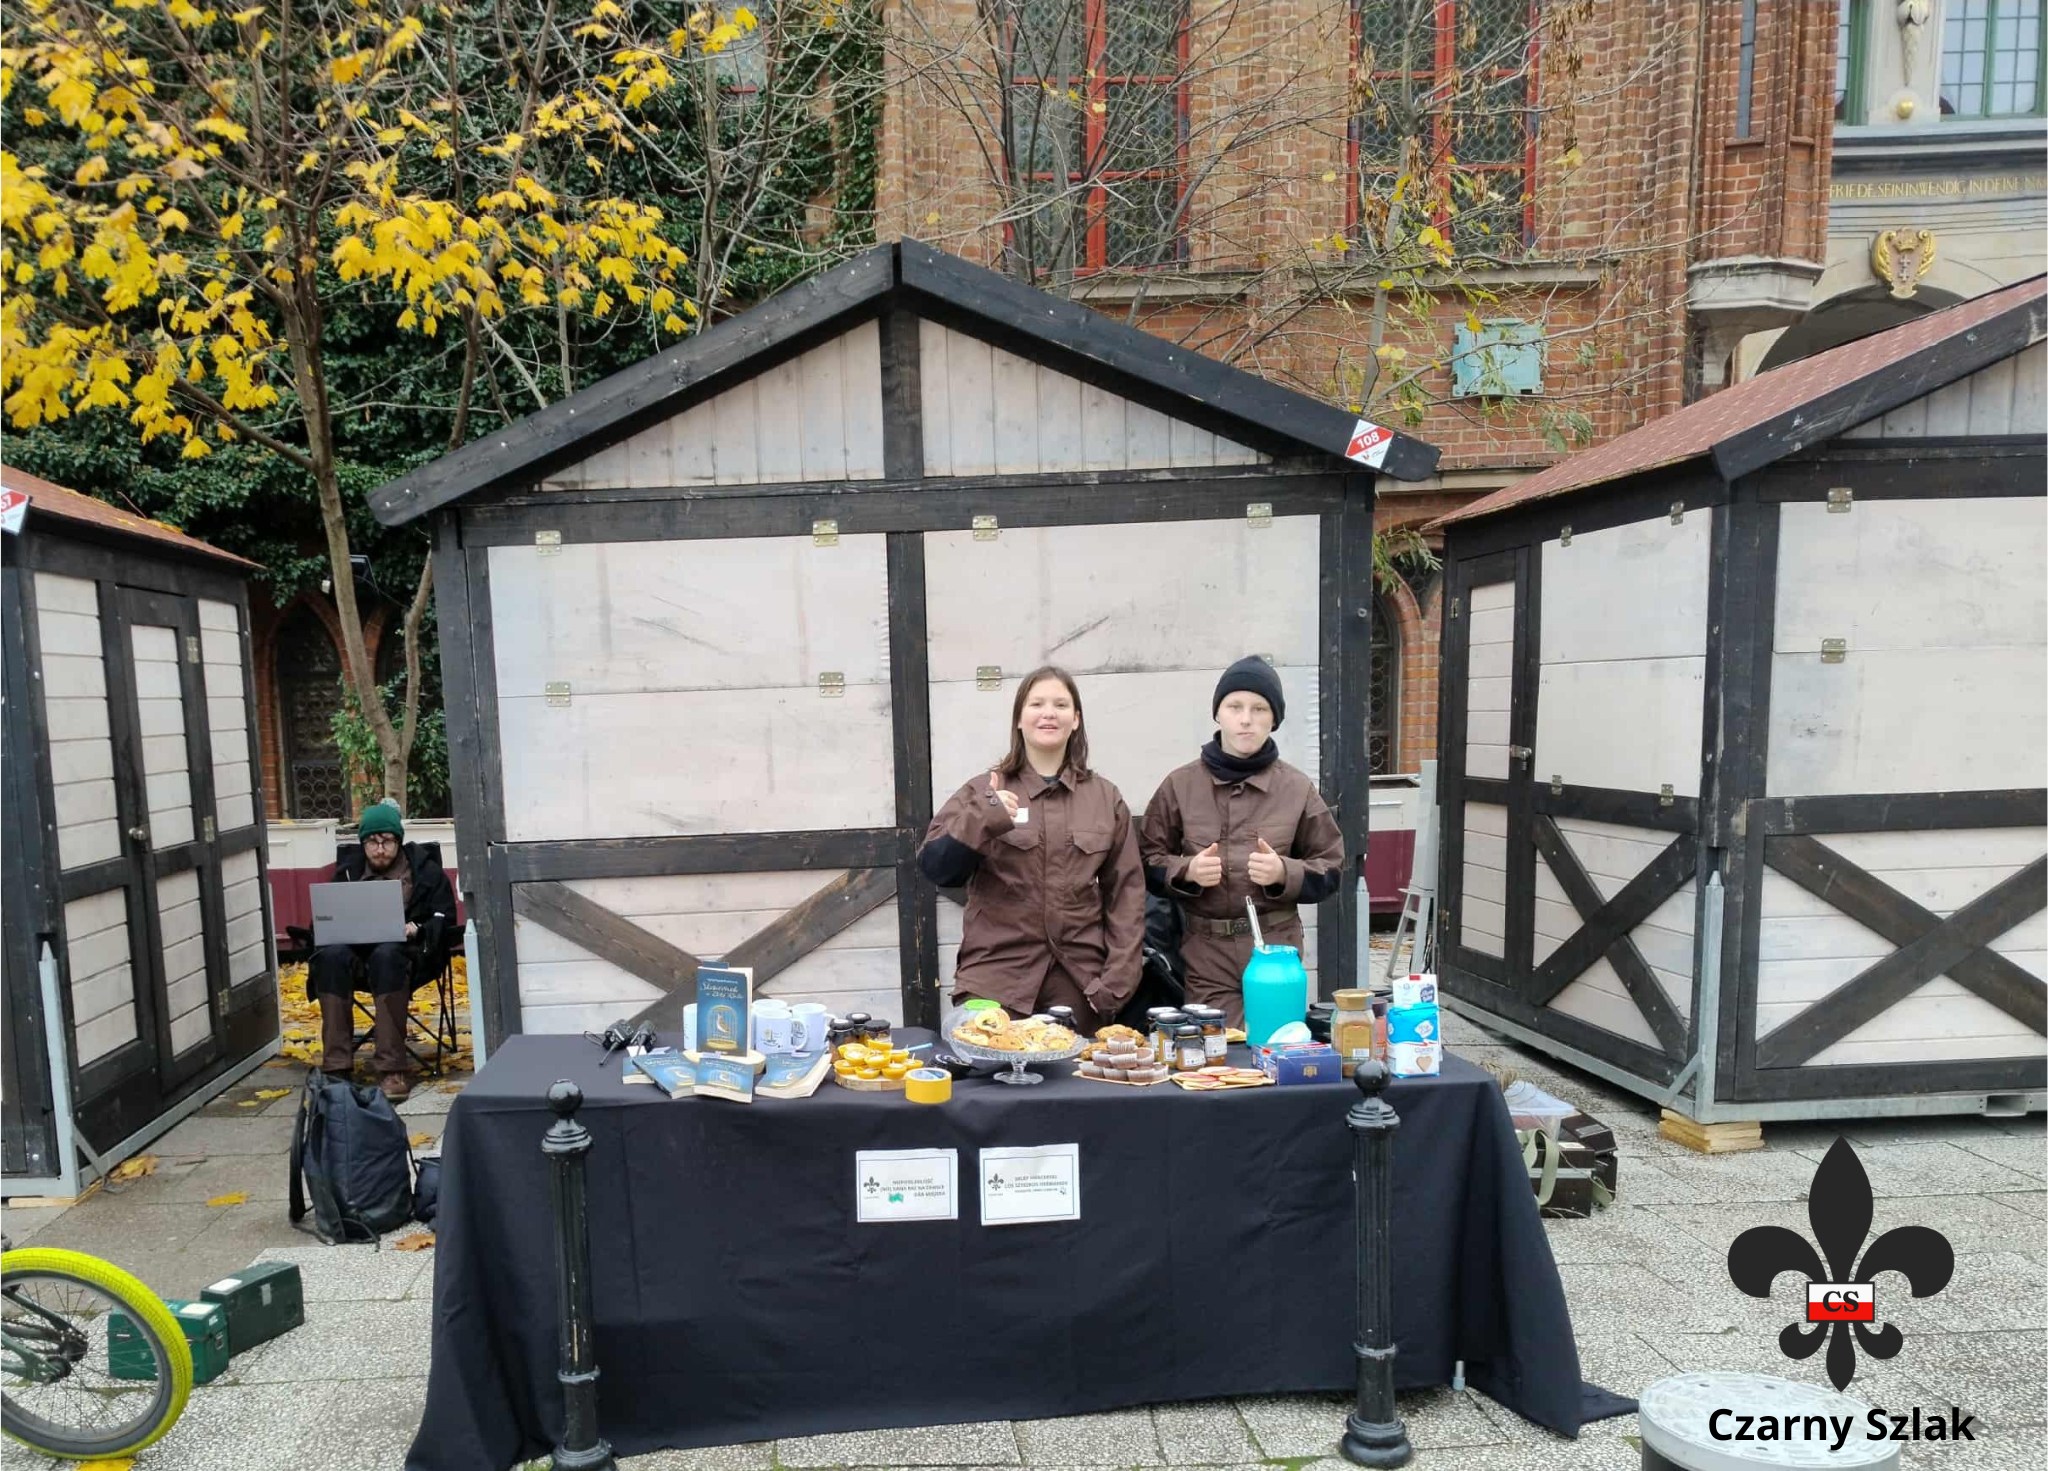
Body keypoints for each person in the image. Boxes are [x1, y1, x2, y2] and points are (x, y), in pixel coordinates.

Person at [918, 666, 1145, 1034]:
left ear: (1076, 720)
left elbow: (1127, 897)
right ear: (1019, 719)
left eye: (1060, 704)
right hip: (994, 980)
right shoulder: (984, 791)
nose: (1048, 712)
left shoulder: (1105, 798)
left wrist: (1115, 985)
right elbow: (936, 868)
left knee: (1075, 1085)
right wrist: (983, 817)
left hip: (1079, 985)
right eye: (1036, 703)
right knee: (988, 1077)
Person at [1139, 656, 1345, 1027]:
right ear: (1218, 714)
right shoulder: (1180, 786)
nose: (1246, 719)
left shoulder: (1296, 789)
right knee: (1219, 1058)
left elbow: (1331, 868)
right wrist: (1186, 871)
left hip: (1275, 951)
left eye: (1259, 708)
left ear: (1274, 719)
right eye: (1235, 706)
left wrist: (1285, 872)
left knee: (1279, 1048)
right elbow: (1146, 859)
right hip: (1206, 953)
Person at [309, 801, 455, 1101]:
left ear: (398, 841)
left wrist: (418, 928)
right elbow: (322, 922)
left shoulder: (425, 873)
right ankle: (337, 1066)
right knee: (329, 958)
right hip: (355, 958)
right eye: (371, 842)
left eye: (386, 841)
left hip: (408, 959)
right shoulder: (347, 872)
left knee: (387, 956)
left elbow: (446, 918)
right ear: (362, 843)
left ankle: (392, 1069)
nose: (379, 849)